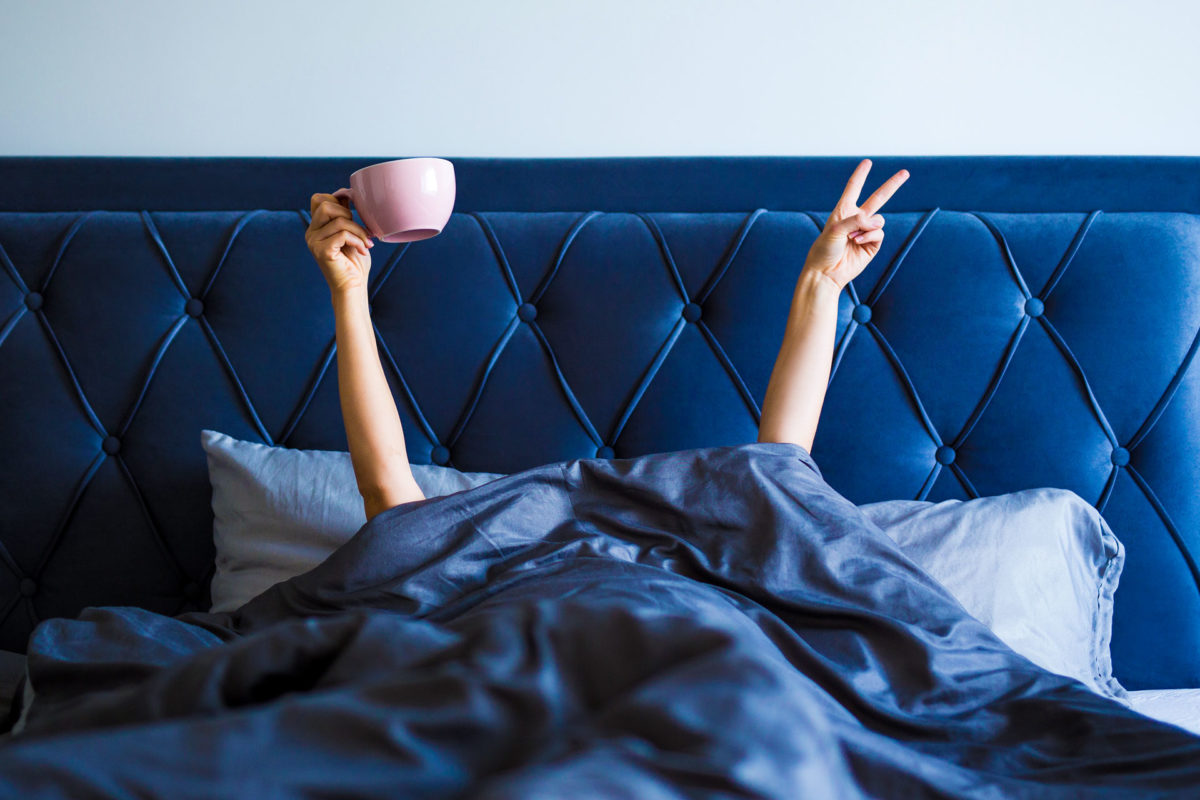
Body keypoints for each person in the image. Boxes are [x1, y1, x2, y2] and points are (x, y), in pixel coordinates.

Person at [304, 159, 910, 521]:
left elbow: (780, 472)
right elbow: (387, 492)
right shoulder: (479, 555)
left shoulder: (713, 558)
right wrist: (348, 291)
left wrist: (823, 284)